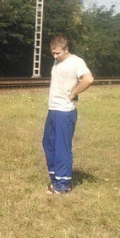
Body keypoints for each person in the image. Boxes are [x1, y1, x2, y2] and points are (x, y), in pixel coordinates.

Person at [43, 35, 94, 195]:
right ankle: (55, 180)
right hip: (53, 109)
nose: (55, 56)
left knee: (62, 147)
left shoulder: (76, 62)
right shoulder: (57, 61)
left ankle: (63, 185)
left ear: (66, 49)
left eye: (58, 53)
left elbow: (88, 79)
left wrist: (74, 93)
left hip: (65, 111)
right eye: (53, 53)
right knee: (48, 144)